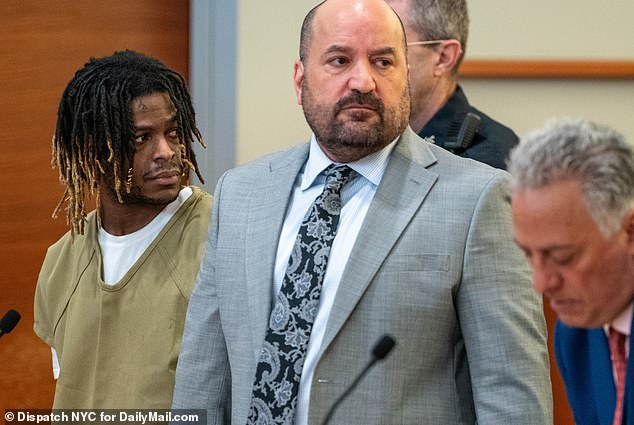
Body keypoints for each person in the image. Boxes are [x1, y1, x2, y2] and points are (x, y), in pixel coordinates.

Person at [172, 0, 552, 423]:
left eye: (383, 61)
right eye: (339, 60)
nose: (363, 81)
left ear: (406, 76)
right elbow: (202, 374)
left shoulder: (477, 199)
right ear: (300, 81)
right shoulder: (240, 193)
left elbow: (512, 395)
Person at [33, 50, 212, 409]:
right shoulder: (61, 263)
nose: (166, 151)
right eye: (139, 139)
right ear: (90, 151)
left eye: (173, 132)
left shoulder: (217, 238)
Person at [509, 118, 634, 425]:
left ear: (629, 232)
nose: (541, 283)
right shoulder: (575, 334)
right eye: (528, 254)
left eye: (563, 257)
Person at [386, 0, 518, 169]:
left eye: (389, 49)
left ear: (443, 58)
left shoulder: (491, 160)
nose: (365, 76)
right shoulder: (362, 139)